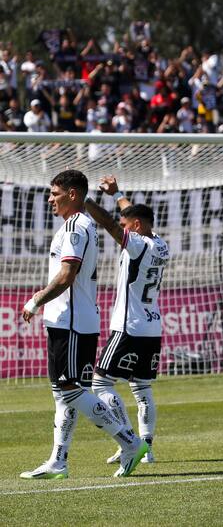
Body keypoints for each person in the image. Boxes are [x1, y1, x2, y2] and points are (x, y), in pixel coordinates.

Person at [20, 170, 147, 479]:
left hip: (74, 321)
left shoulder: (77, 225)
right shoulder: (74, 225)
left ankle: (130, 442)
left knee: (71, 389)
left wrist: (37, 299)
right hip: (64, 319)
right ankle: (58, 461)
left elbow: (68, 274)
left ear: (72, 194)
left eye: (55, 193)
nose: (50, 199)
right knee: (62, 391)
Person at [84, 177, 170, 466]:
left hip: (128, 327)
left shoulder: (137, 246)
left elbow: (110, 223)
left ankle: (129, 441)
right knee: (142, 389)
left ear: (135, 228)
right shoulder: (160, 244)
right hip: (152, 326)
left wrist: (84, 199)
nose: (122, 229)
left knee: (100, 384)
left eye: (126, 226)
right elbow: (128, 216)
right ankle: (147, 448)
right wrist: (118, 194)